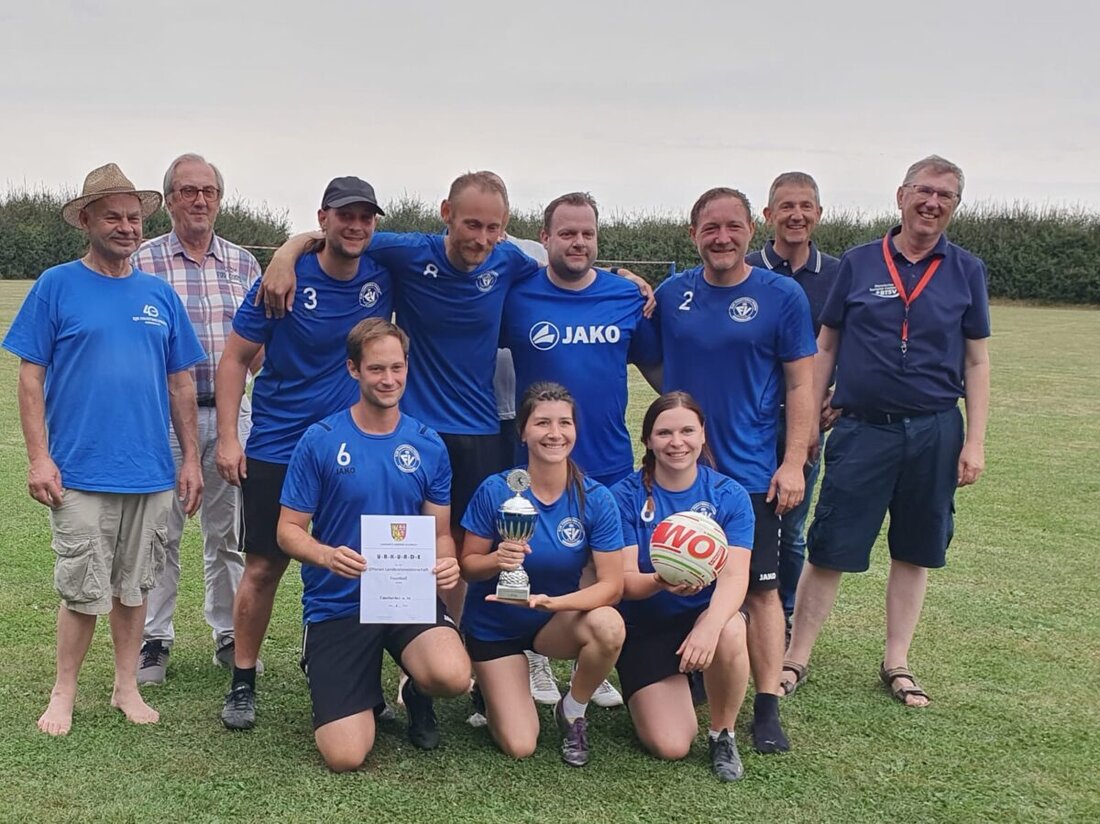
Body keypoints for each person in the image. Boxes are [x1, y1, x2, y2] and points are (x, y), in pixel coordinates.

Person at [3, 163, 205, 735]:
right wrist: (39, 457)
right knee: (81, 589)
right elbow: (30, 377)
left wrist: (189, 459)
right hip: (80, 472)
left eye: (134, 218)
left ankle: (125, 687)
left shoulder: (157, 294)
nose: (125, 226)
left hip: (149, 471)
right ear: (86, 220)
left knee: (134, 586)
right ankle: (63, 692)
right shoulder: (56, 285)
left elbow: (181, 382)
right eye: (112, 216)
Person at [783, 156, 991, 707]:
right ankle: (795, 656)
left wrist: (975, 440)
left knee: (915, 549)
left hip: (935, 429)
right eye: (923, 191)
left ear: (954, 205)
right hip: (861, 429)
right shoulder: (858, 263)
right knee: (830, 547)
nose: (932, 203)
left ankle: (896, 661)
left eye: (945, 195)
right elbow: (825, 346)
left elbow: (976, 363)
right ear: (901, 195)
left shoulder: (966, 269)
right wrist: (807, 428)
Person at [636, 187, 817, 753]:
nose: (721, 237)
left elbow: (801, 382)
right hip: (680, 473)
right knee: (677, 572)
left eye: (732, 227)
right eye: (710, 228)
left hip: (751, 473)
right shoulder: (671, 294)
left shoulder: (782, 295)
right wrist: (677, 413)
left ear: (749, 230)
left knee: (760, 592)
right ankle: (683, 670)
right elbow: (649, 355)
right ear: (693, 234)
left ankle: (767, 707)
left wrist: (792, 462)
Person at [215, 176, 392, 730]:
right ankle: (243, 680)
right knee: (265, 565)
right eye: (345, 215)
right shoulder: (283, 282)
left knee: (354, 562)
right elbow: (235, 360)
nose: (356, 226)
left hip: (351, 446)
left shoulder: (384, 274)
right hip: (279, 443)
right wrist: (227, 436)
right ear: (324, 219)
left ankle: (342, 665)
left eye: (366, 217)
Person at [278, 319, 471, 767]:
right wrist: (326, 554)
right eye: (376, 369)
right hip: (340, 603)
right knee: (345, 755)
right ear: (353, 370)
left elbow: (440, 532)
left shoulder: (428, 444)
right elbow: (287, 531)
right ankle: (352, 684)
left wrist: (447, 562)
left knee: (453, 675)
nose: (388, 379)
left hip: (407, 598)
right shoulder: (321, 441)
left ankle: (417, 692)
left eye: (397, 368)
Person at [500, 193, 644, 709]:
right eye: (567, 233)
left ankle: (590, 656)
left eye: (587, 233)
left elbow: (656, 365)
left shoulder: (626, 297)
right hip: (536, 456)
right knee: (534, 553)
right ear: (545, 239)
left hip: (606, 454)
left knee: (595, 564)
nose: (578, 242)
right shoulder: (517, 295)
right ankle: (535, 654)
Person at [131, 153, 262, 685]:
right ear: (168, 201)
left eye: (207, 190)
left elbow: (259, 342)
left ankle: (229, 633)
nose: (199, 200)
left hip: (231, 416)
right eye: (187, 191)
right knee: (159, 530)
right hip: (162, 417)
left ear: (219, 198)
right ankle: (154, 639)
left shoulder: (243, 264)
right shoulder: (141, 262)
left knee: (227, 531)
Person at [459, 382, 625, 767]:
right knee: (520, 744)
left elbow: (612, 585)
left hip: (553, 621)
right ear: (523, 432)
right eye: (542, 423)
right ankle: (488, 686)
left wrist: (555, 603)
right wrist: (497, 558)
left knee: (610, 625)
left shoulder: (596, 498)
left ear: (575, 430)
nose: (555, 433)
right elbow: (468, 565)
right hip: (495, 626)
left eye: (564, 423)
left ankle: (572, 710)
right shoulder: (497, 489)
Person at [611, 392, 754, 781]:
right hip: (646, 627)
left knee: (730, 627)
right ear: (648, 440)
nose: (677, 442)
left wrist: (707, 627)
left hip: (702, 618)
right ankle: (686, 682)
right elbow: (623, 582)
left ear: (703, 435)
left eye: (688, 431)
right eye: (665, 433)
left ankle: (722, 732)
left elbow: (735, 575)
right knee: (670, 745)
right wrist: (661, 581)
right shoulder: (623, 497)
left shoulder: (730, 495)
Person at [746, 172, 840, 632]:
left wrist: (843, 393)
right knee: (742, 519)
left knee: (792, 529)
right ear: (768, 216)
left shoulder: (839, 275)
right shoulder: (743, 267)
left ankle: (780, 615)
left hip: (803, 426)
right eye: (786, 206)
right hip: (749, 424)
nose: (796, 215)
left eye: (805, 206)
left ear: (818, 215)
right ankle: (736, 608)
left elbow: (856, 342)